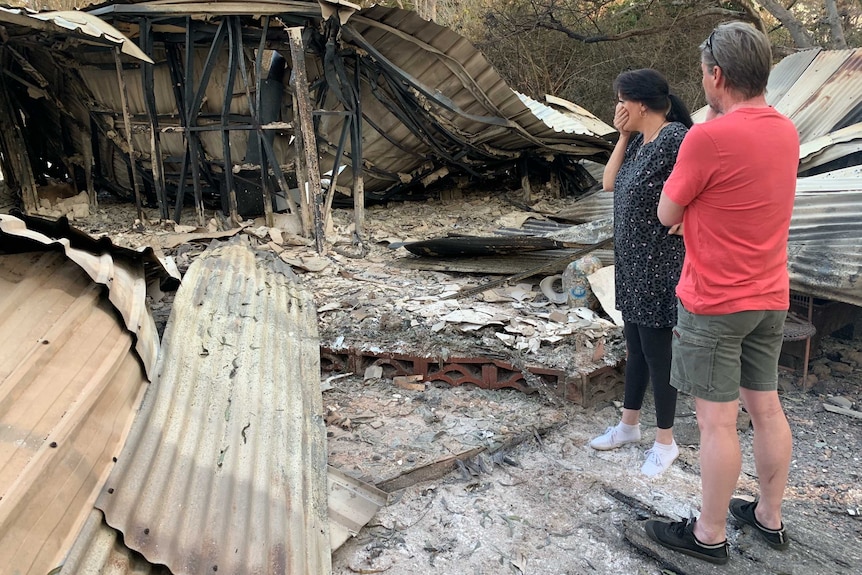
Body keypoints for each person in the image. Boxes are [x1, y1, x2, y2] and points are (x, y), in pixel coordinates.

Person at [645, 22, 799, 565]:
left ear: (715, 74)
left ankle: (709, 535)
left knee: (716, 422)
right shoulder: (786, 130)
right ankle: (769, 515)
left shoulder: (706, 139)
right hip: (770, 295)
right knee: (767, 409)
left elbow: (667, 214)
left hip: (714, 301)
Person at [588, 69, 692, 477]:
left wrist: (694, 215)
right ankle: (629, 426)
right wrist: (623, 136)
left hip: (658, 265)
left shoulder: (675, 139)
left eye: (621, 101)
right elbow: (609, 183)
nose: (617, 108)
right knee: (635, 348)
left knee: (658, 354)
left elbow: (708, 180)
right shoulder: (641, 142)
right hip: (631, 264)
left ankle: (666, 442)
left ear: (641, 104)